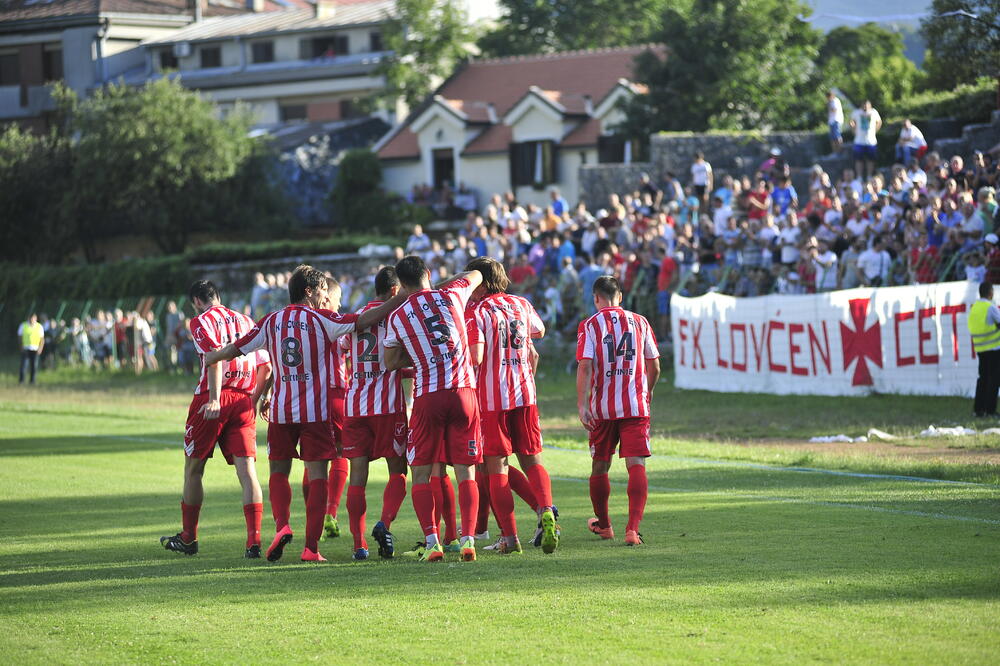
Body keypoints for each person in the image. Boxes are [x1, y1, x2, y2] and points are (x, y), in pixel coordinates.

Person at [206, 265, 404, 563]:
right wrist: (397, 301)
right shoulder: (322, 318)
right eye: (323, 289)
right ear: (309, 291)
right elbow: (363, 320)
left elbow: (238, 348)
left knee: (278, 473)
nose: (326, 295)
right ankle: (311, 548)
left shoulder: (271, 320)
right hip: (316, 413)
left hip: (283, 412)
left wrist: (214, 356)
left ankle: (282, 525)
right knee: (317, 476)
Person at [382, 256, 484, 563]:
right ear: (427, 273)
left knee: (422, 471)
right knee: (466, 470)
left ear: (400, 285)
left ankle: (432, 541)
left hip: (428, 395)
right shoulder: (453, 293)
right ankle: (467, 540)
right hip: (464, 392)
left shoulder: (398, 315)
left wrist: (416, 356)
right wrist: (439, 284)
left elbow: (389, 362)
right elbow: (477, 273)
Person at [160, 280, 272, 558]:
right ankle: (254, 542)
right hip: (244, 399)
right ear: (218, 296)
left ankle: (189, 538)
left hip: (213, 399)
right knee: (248, 474)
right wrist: (255, 399)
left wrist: (213, 398)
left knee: (193, 469)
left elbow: (213, 358)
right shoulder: (246, 320)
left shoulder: (200, 321)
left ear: (197, 301)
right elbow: (266, 365)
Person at [465, 257, 557, 555]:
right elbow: (539, 331)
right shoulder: (521, 303)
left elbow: (476, 356)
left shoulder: (476, 311)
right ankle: (546, 509)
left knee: (497, 468)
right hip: (525, 393)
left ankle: (510, 537)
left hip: (493, 398)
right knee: (532, 459)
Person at [576, 276, 660, 546]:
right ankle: (632, 530)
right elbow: (655, 366)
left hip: (602, 407)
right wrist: (645, 392)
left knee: (600, 464)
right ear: (620, 296)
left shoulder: (590, 325)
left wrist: (582, 403)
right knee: (636, 464)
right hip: (635, 405)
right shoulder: (640, 321)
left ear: (595, 298)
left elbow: (585, 366)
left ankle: (605, 525)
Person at [338, 267, 411, 560]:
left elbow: (345, 352)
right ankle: (384, 523)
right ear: (395, 291)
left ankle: (359, 545)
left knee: (357, 477)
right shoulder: (396, 317)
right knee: (399, 472)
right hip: (387, 406)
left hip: (355, 406)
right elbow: (398, 358)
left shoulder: (355, 317)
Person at [968, 281, 1000, 417]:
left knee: (983, 378)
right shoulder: (990, 307)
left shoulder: (974, 307)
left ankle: (978, 410)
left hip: (980, 348)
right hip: (993, 348)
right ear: (990, 292)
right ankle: (990, 410)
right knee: (994, 379)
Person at [850, 100, 882, 182]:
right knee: (858, 159)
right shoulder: (857, 112)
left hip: (871, 141)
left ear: (870, 105)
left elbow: (879, 122)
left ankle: (869, 176)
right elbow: (851, 122)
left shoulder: (874, 112)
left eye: (867, 105)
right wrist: (854, 131)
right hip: (859, 141)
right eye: (864, 105)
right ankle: (859, 177)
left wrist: (875, 130)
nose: (865, 107)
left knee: (870, 160)